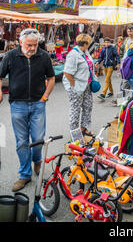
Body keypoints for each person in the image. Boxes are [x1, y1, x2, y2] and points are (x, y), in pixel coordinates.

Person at [0, 29, 55, 192]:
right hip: (17, 104)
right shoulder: (10, 56)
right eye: (29, 45)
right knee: (22, 141)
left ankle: (37, 161)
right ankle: (24, 174)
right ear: (20, 42)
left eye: (35, 45)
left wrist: (44, 97)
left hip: (38, 104)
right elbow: (0, 75)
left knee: (38, 138)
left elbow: (51, 78)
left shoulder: (44, 56)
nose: (32, 48)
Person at [63, 34, 97, 137]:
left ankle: (84, 128)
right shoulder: (73, 54)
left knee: (88, 106)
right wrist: (75, 85)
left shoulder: (85, 52)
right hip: (76, 86)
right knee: (75, 110)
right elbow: (67, 73)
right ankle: (75, 134)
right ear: (86, 43)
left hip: (86, 85)